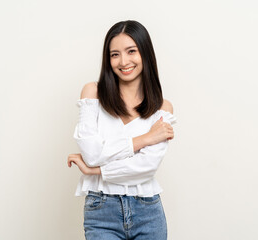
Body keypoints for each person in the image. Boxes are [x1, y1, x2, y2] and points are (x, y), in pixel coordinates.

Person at [67, 20, 176, 240]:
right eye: (115, 54)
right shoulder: (93, 93)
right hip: (101, 212)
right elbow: (92, 154)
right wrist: (146, 138)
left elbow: (146, 167)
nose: (123, 61)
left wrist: (95, 171)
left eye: (131, 51)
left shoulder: (162, 108)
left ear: (145, 53)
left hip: (148, 212)